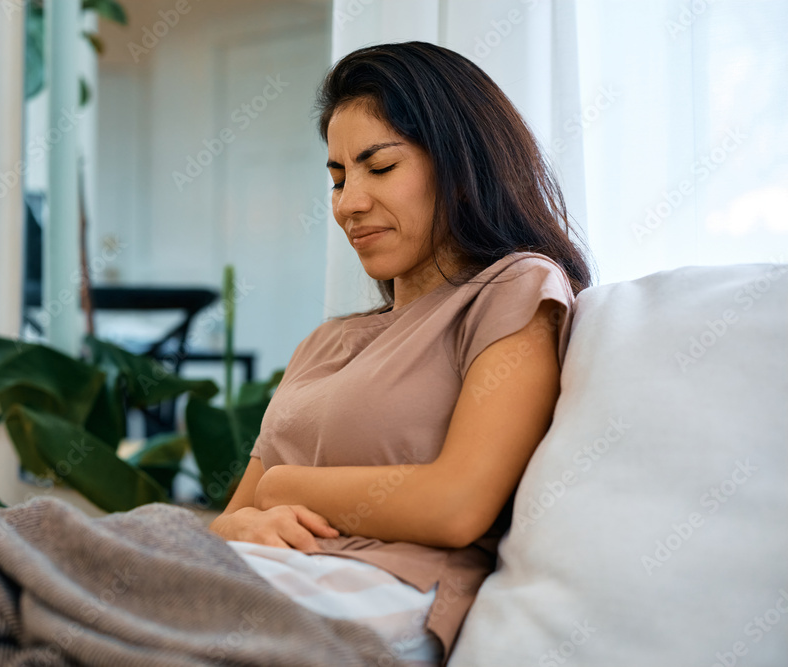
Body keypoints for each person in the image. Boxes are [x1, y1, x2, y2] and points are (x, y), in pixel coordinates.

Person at [209, 40, 592, 666]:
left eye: (379, 168)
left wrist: (281, 487)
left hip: (378, 595)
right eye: (337, 179)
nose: (348, 204)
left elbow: (457, 506)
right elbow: (231, 517)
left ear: (460, 163)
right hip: (255, 575)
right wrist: (240, 527)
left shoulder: (513, 288)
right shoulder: (326, 343)